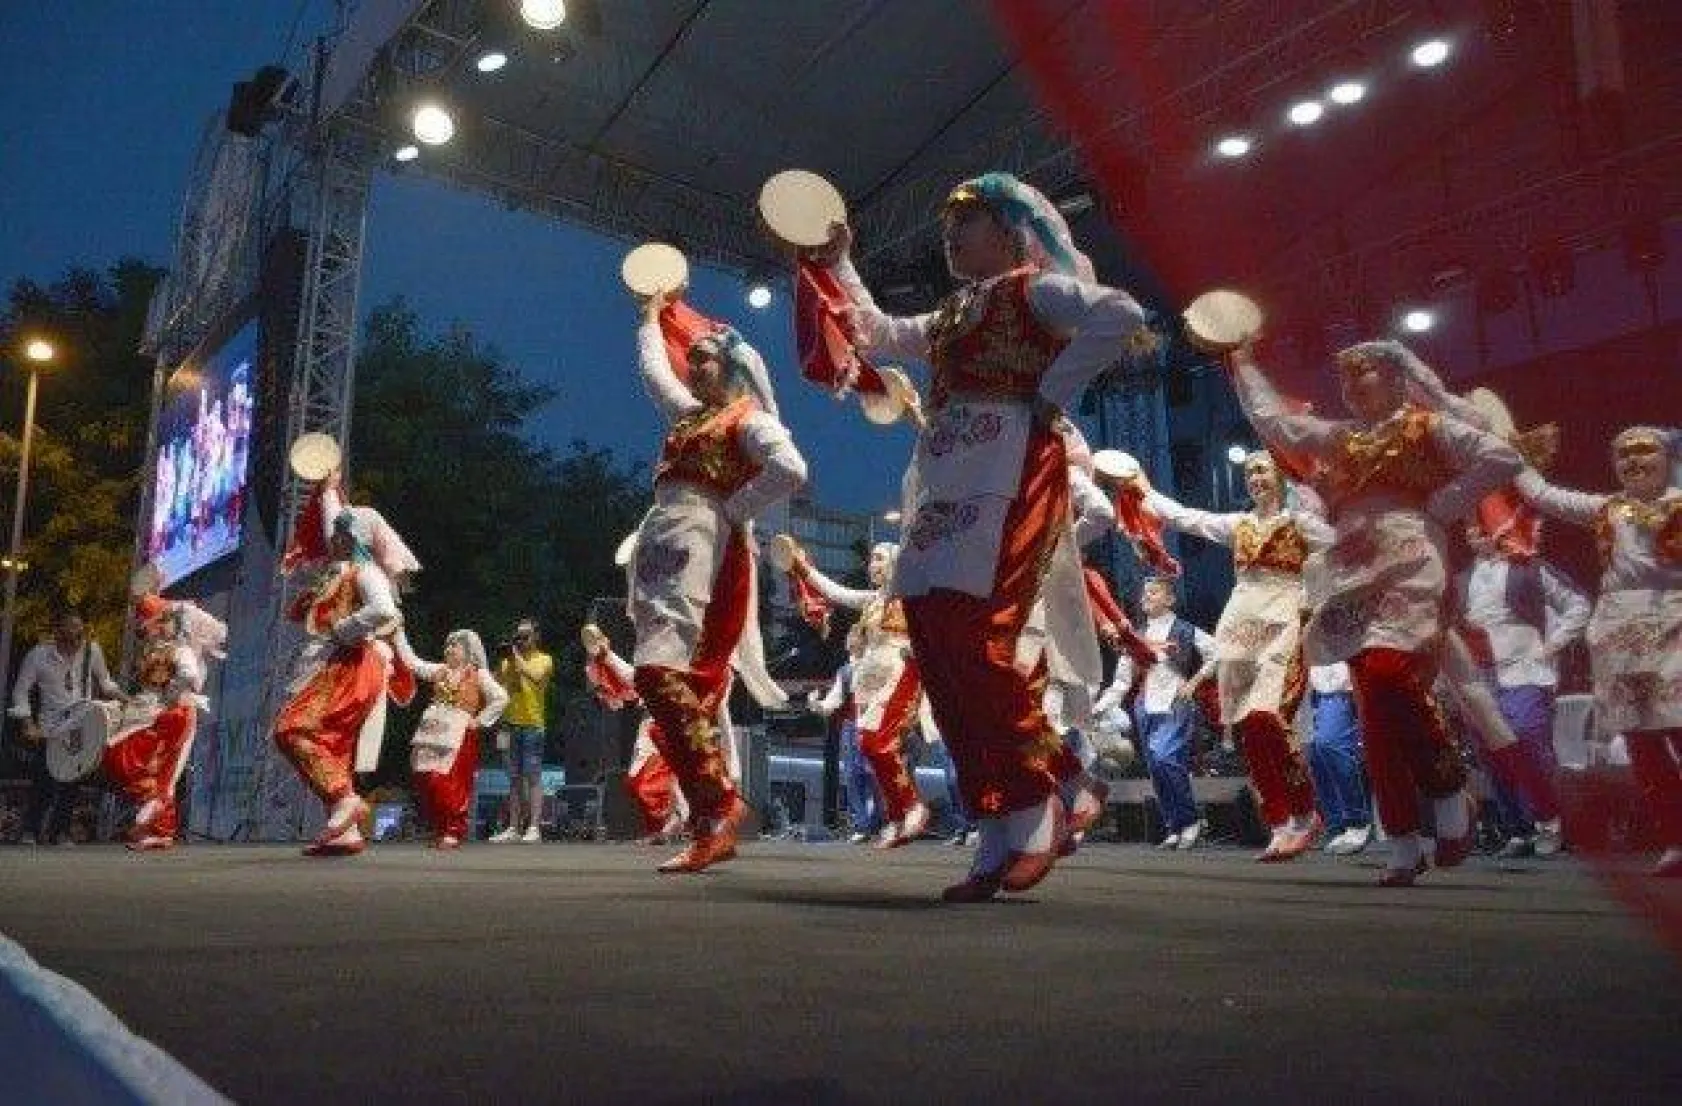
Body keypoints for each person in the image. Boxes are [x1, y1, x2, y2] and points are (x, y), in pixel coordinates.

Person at [818, 172, 1150, 902]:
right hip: (944, 477)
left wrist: (1051, 396)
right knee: (938, 649)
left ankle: (1036, 809)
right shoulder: (950, 313)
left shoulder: (1035, 289)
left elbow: (1120, 312)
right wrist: (840, 257)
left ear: (1008, 230)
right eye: (945, 227)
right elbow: (871, 330)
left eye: (963, 222)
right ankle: (998, 824)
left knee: (983, 638)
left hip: (1010, 468)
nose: (949, 236)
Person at [1227, 338, 1523, 885]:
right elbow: (1275, 423)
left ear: (1395, 377)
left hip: (1410, 556)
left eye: (1364, 375)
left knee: (1388, 677)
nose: (1352, 386)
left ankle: (1447, 783)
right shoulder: (1342, 437)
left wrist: (1442, 504)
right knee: (1375, 713)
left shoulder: (1425, 427)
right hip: (1352, 569)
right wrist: (1240, 362)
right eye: (1346, 379)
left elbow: (1503, 457)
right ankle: (1405, 843)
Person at [627, 289, 808, 873]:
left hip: (703, 541)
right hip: (664, 538)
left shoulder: (747, 419)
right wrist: (651, 320)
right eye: (693, 357)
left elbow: (792, 469)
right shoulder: (689, 417)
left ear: (733, 367)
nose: (692, 364)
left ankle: (718, 808)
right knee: (663, 681)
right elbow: (655, 375)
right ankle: (712, 817)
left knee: (658, 674)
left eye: (703, 357)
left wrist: (734, 509)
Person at [1126, 451, 1333, 861]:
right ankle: (1278, 821)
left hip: (1285, 616)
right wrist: (1144, 491)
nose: (1254, 478)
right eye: (1248, 472)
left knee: (1267, 716)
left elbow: (1342, 548)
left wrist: (1317, 599)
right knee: (1245, 727)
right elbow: (1189, 518)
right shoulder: (1241, 526)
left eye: (1261, 470)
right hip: (1241, 624)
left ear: (1280, 476)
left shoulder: (1302, 524)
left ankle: (1306, 812)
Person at [1513, 426, 1681, 876]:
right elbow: (1541, 494)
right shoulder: (1608, 509)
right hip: (1620, 633)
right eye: (1624, 454)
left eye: (1646, 451)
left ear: (1669, 458)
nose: (1634, 460)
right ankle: (1675, 838)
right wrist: (1511, 452)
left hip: (1676, 623)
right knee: (1642, 742)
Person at [272, 473, 419, 858]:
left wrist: (344, 629)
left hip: (351, 663)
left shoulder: (363, 571)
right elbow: (331, 517)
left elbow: (384, 609)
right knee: (330, 745)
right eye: (334, 531)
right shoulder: (340, 571)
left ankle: (343, 799)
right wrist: (326, 488)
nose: (331, 537)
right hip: (339, 662)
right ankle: (346, 831)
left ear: (354, 539)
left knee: (291, 730)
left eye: (340, 533)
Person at [1452, 521, 1589, 858]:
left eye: (1485, 528)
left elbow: (1579, 605)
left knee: (1526, 738)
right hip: (1478, 672)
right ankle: (1517, 827)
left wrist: (1551, 645)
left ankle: (1549, 821)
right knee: (1490, 751)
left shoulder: (1528, 568)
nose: (1479, 534)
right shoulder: (1459, 580)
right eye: (1474, 529)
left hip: (1524, 667)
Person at [790, 541, 933, 848]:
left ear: (895, 564)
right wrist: (804, 569)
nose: (873, 565)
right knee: (870, 747)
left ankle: (912, 806)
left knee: (880, 745)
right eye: (871, 559)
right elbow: (835, 592)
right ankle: (897, 817)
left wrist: (918, 647)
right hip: (870, 681)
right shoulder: (871, 601)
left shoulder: (912, 598)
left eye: (879, 559)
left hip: (900, 673)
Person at [102, 592, 226, 850]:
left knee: (166, 772)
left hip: (176, 714)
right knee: (120, 757)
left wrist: (169, 697)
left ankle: (160, 827)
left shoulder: (181, 650)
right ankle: (156, 815)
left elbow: (189, 675)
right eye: (148, 625)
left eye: (156, 623)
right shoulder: (156, 651)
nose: (149, 630)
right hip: (154, 714)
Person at [1109, 578, 1218, 850]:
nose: (1146, 596)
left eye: (1154, 592)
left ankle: (1191, 820)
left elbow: (1218, 652)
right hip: (1145, 704)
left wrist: (1195, 682)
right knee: (1156, 767)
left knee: (1165, 757)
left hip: (1175, 702)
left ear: (1170, 599)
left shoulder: (1185, 630)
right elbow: (1123, 676)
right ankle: (1175, 825)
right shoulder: (1137, 634)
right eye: (1144, 592)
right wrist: (1108, 703)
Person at [7, 611, 126, 845]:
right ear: (57, 633)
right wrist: (27, 723)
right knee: (44, 780)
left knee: (73, 781)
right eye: (70, 634)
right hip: (50, 728)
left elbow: (106, 683)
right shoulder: (38, 656)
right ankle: (31, 829)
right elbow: (21, 691)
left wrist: (126, 699)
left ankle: (59, 832)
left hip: (82, 726)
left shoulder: (92, 651)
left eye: (79, 634)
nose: (76, 640)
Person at [395, 628, 508, 849]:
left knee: (448, 781)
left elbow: (501, 698)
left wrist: (479, 720)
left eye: (454, 646)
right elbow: (411, 662)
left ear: (468, 652)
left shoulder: (478, 674)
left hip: (459, 731)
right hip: (432, 730)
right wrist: (398, 634)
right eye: (447, 645)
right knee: (425, 779)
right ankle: (441, 828)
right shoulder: (440, 670)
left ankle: (454, 830)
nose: (448, 650)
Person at [489, 619, 554, 844]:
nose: (520, 640)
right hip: (509, 724)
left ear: (536, 636)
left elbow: (535, 678)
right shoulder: (509, 662)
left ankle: (534, 827)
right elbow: (495, 684)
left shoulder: (544, 659)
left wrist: (515, 657)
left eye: (525, 636)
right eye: (518, 636)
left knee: (533, 776)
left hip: (532, 724)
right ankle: (513, 827)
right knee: (514, 778)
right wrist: (501, 662)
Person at [1304, 663, 1374, 855]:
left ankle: (1357, 820)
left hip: (1341, 686)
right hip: (1314, 685)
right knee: (1317, 755)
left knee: (1331, 744)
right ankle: (1336, 824)